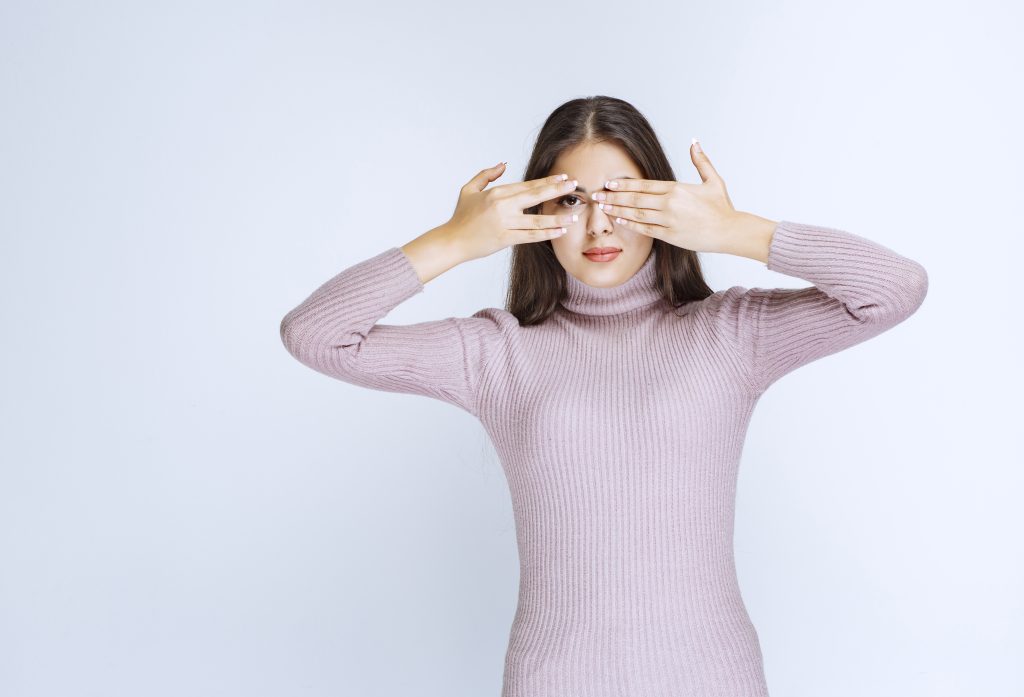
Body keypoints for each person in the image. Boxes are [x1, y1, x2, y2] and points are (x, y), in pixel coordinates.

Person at [279, 96, 928, 697]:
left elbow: (895, 288)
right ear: (533, 212)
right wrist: (454, 241)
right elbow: (316, 336)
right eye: (571, 201)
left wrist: (735, 230)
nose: (597, 224)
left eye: (622, 197)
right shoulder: (497, 352)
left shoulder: (731, 332)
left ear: (665, 203)